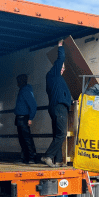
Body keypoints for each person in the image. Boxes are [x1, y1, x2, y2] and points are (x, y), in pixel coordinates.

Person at [42, 39, 74, 168]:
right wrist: (60, 46)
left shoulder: (59, 81)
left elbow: (63, 94)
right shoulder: (53, 75)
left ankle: (58, 160)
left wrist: (72, 101)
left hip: (59, 106)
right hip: (58, 107)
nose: (63, 70)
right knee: (61, 133)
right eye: (62, 67)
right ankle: (48, 156)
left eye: (64, 69)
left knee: (57, 134)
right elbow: (60, 59)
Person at [13, 74, 38, 164]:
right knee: (22, 139)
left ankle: (31, 158)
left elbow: (33, 105)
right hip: (20, 118)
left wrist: (30, 118)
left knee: (26, 138)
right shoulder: (22, 90)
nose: (17, 83)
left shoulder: (26, 90)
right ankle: (25, 157)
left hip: (24, 118)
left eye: (18, 81)